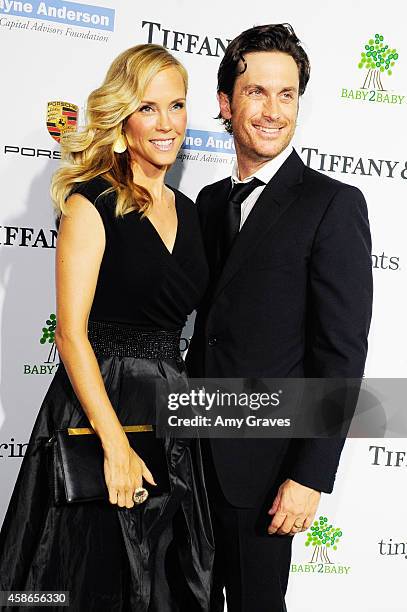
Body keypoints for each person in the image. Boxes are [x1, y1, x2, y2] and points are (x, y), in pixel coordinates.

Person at [0, 44, 214, 612]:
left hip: (171, 415)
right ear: (123, 116)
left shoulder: (191, 211)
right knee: (85, 576)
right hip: (102, 405)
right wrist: (114, 443)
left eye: (177, 105)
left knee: (165, 581)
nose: (166, 123)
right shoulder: (90, 202)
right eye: (149, 107)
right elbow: (71, 334)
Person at [186, 24, 373, 612]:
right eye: (256, 92)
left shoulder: (332, 204)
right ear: (225, 103)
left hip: (266, 471)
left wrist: (311, 474)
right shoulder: (209, 203)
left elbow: (341, 354)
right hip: (189, 455)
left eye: (286, 94)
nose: (272, 110)